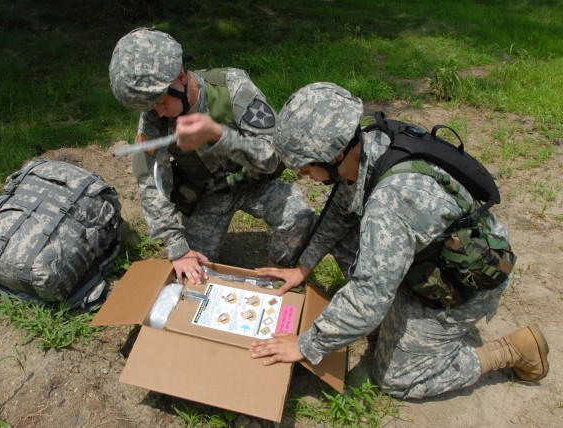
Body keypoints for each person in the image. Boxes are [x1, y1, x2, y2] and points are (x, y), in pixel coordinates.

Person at [250, 82, 549, 399]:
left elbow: (369, 297)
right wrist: (305, 267)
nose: (303, 175)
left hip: (461, 285)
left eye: (306, 167)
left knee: (395, 379)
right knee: (344, 237)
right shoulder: (371, 142)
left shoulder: (391, 205)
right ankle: (392, 319)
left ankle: (513, 350)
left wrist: (306, 344)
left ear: (334, 154)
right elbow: (340, 210)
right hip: (429, 253)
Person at [109, 28, 313, 284]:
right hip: (209, 195)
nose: (158, 113)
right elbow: (152, 183)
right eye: (151, 106)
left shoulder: (232, 89)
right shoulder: (154, 117)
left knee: (300, 217)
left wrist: (218, 136)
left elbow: (273, 157)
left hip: (256, 185)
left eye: (161, 102)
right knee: (193, 271)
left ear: (181, 77)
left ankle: (274, 276)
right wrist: (177, 248)